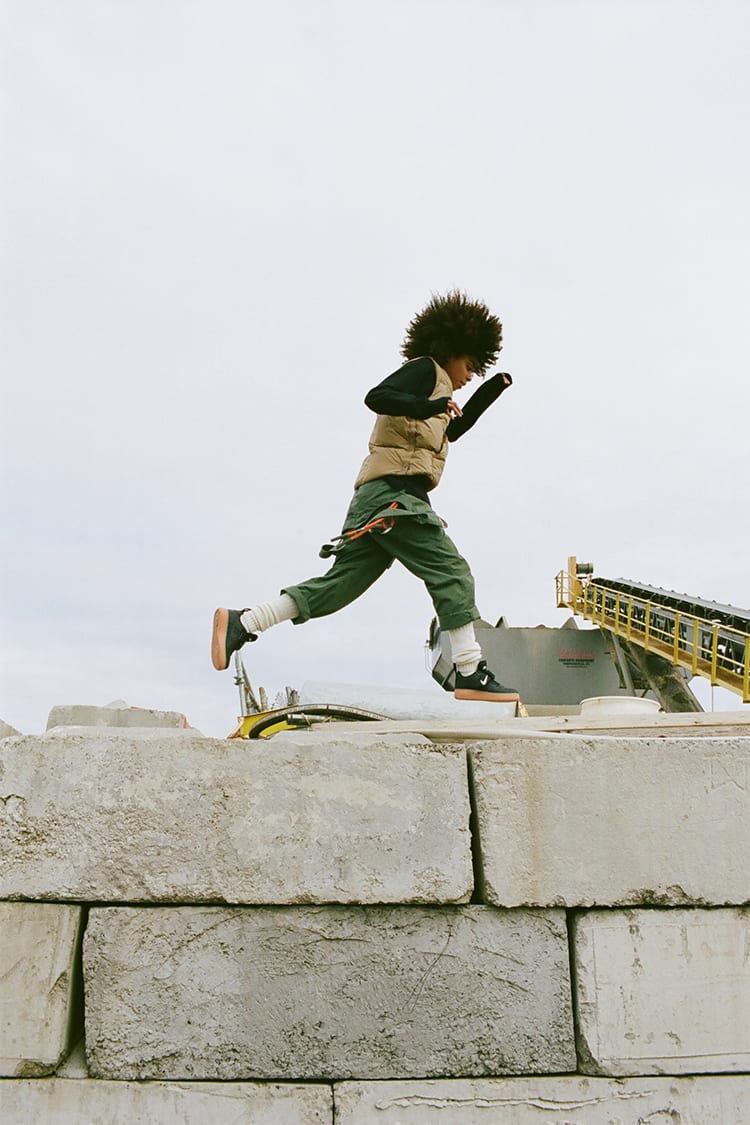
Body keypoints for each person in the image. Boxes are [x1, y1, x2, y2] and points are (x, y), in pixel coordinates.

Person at [212, 290, 519, 701]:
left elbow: (452, 431)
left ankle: (245, 622)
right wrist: (434, 405)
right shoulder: (425, 370)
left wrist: (487, 394)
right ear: (452, 348)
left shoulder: (438, 394)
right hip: (395, 497)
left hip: (377, 499)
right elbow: (376, 397)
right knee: (452, 571)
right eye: (469, 365)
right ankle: (469, 669)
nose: (469, 375)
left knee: (338, 587)